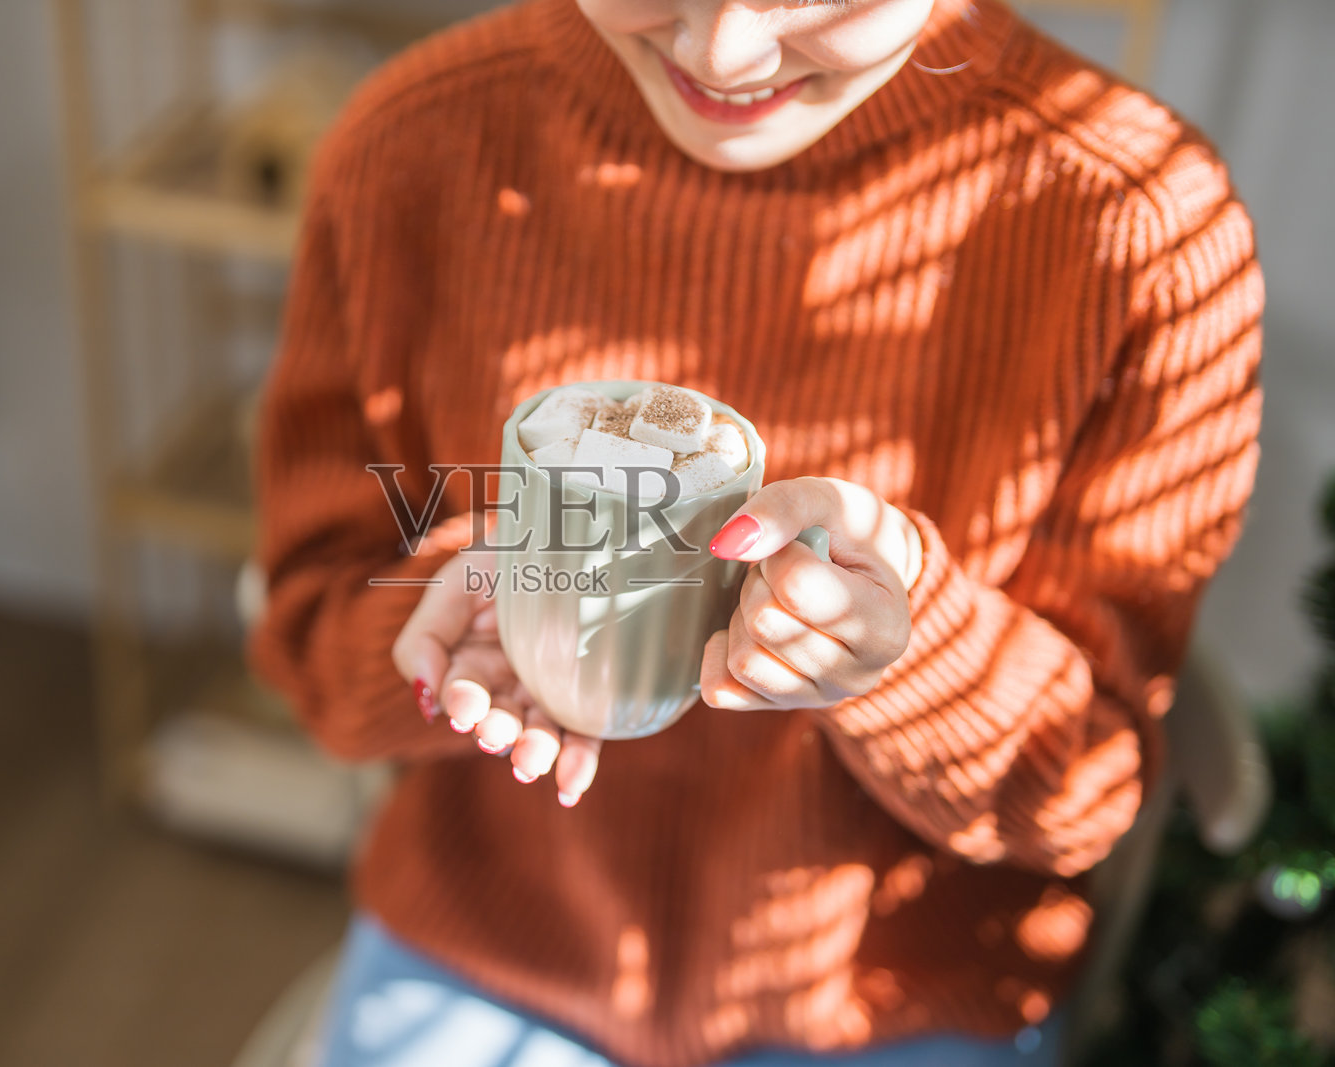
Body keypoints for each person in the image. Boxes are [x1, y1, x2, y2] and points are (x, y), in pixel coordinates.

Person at [247, 0, 1264, 1064]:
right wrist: (449, 625)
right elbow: (312, 631)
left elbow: (1087, 785)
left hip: (896, 993)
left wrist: (906, 653)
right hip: (489, 938)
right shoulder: (411, 149)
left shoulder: (1136, 227)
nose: (719, 54)